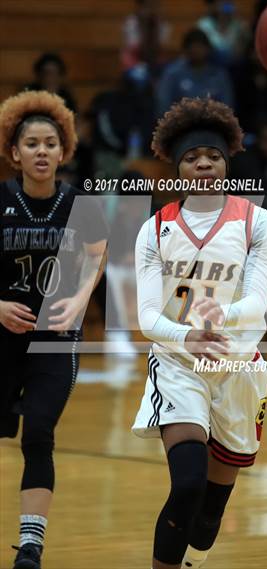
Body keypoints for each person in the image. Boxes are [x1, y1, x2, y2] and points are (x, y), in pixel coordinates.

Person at [132, 97, 267, 569]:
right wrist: (186, 337)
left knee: (208, 519)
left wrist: (225, 312)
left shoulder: (257, 222)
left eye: (212, 156)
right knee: (188, 484)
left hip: (239, 369)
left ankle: (196, 558)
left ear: (226, 162)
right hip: (179, 365)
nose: (203, 165)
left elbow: (260, 301)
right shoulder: (154, 231)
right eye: (193, 158)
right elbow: (148, 318)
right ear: (178, 169)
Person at [0, 91, 108, 569]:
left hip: (54, 339)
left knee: (39, 435)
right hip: (0, 338)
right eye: (31, 144)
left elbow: (97, 257)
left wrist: (81, 302)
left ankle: (30, 547)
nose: (41, 151)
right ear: (14, 152)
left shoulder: (80, 204)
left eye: (50, 143)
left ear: (64, 152)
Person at [157, 29, 234, 117]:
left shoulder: (219, 75)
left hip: (213, 127)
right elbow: (163, 107)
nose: (196, 51)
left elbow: (228, 108)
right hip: (180, 126)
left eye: (200, 47)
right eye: (193, 47)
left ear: (208, 49)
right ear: (185, 49)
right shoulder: (172, 73)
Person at [121, 0, 171, 86]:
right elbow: (139, 50)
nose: (150, 10)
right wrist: (144, 26)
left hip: (156, 64)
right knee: (141, 78)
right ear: (139, 7)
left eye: (154, 6)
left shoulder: (162, 24)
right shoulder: (131, 23)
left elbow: (159, 50)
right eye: (147, 6)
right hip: (134, 64)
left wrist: (155, 28)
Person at [196, 0, 250, 66]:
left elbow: (245, 48)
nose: (225, 4)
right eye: (221, 2)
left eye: (228, 2)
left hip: (236, 66)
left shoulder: (239, 25)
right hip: (212, 66)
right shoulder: (203, 25)